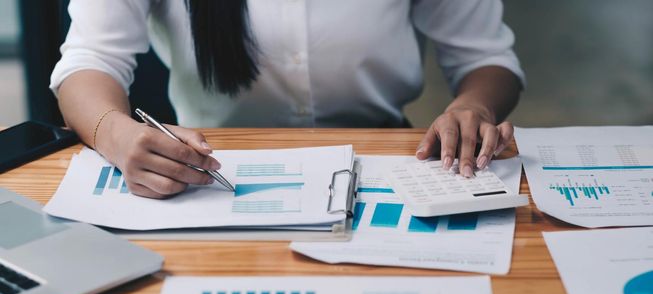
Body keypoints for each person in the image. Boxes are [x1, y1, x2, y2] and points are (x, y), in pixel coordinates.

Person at [51, 0, 525, 199]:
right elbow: (90, 60)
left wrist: (475, 107)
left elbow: (487, 58)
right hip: (207, 172)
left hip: (388, 163)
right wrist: (113, 132)